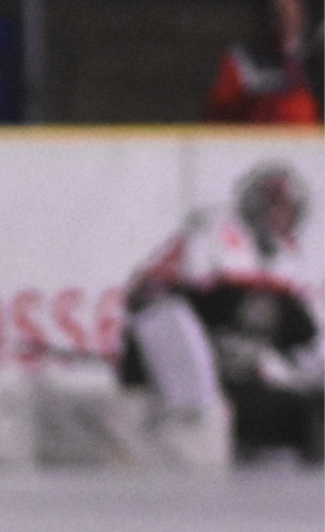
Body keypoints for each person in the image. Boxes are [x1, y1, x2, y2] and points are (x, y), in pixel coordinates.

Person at [119, 163, 324, 464]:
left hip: (235, 382)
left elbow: (299, 337)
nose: (281, 219)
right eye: (275, 207)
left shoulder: (281, 265)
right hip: (183, 389)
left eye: (288, 211)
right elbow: (150, 302)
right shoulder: (211, 237)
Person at [204, 0, 321, 124]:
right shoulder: (240, 63)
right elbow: (216, 115)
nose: (285, 14)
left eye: (290, 5)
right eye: (276, 7)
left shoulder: (316, 61)